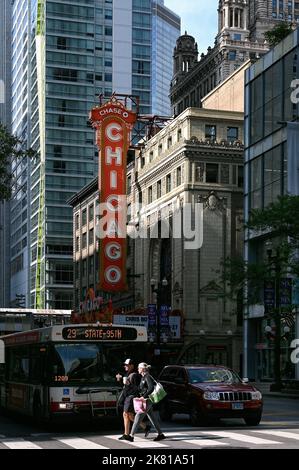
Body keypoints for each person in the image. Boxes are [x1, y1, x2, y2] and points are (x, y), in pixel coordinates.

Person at [128, 362, 166, 442]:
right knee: (152, 418)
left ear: (142, 369)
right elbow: (140, 389)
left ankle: (131, 436)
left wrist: (143, 397)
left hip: (147, 400)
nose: (138, 369)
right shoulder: (143, 377)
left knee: (138, 417)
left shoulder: (147, 376)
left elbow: (151, 388)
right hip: (145, 400)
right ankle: (160, 434)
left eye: (139, 368)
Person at [116, 359, 150, 441]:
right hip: (127, 396)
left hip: (131, 397)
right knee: (128, 415)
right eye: (125, 365)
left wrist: (128, 384)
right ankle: (145, 427)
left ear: (132, 365)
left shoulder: (134, 375)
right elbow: (126, 387)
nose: (125, 366)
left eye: (127, 365)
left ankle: (127, 434)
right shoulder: (127, 374)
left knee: (127, 414)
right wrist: (120, 380)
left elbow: (137, 389)